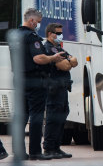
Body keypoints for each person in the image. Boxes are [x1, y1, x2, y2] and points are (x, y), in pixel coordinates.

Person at [8, 8, 65, 160]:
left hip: (19, 79)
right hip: (34, 80)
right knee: (36, 116)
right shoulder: (32, 36)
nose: (39, 25)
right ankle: (35, 152)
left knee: (21, 116)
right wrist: (53, 57)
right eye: (38, 22)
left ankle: (19, 152)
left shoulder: (15, 35)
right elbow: (38, 58)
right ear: (32, 20)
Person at [43, 23, 78, 159]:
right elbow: (65, 66)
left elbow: (74, 61)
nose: (60, 35)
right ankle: (49, 148)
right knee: (53, 119)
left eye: (60, 33)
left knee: (62, 117)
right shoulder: (48, 48)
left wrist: (69, 62)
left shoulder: (58, 48)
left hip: (62, 89)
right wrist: (68, 62)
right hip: (53, 90)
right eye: (57, 33)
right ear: (49, 34)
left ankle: (56, 148)